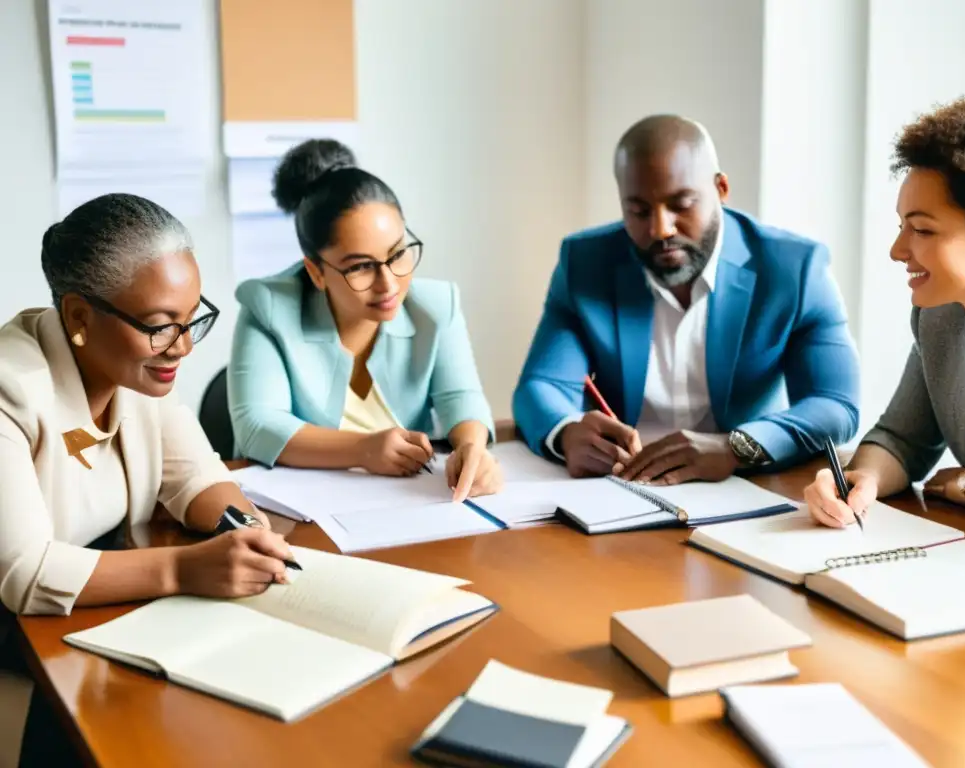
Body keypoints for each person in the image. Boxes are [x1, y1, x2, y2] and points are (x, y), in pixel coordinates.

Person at [0, 194, 297, 766]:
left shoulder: (135, 363)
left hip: (101, 614)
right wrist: (186, 568)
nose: (183, 347)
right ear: (80, 317)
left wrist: (244, 526)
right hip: (23, 642)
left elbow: (196, 479)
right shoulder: (12, 389)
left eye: (193, 320)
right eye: (163, 327)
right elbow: (26, 575)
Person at [513, 115, 860, 483]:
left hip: (745, 487)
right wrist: (567, 433)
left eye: (681, 204)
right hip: (621, 488)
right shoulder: (586, 262)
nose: (660, 228)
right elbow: (540, 386)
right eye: (639, 211)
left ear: (721, 190)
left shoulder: (793, 269)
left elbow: (836, 404)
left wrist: (736, 447)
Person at [228, 140, 501, 501]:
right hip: (294, 515)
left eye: (398, 254)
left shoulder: (435, 306)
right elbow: (257, 425)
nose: (388, 284)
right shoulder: (269, 307)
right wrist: (362, 449)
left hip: (402, 507)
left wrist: (472, 447)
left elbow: (461, 397)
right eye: (360, 266)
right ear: (316, 271)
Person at [805, 94, 965, 528]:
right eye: (901, 226)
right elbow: (902, 439)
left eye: (923, 229)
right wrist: (861, 478)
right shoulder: (941, 319)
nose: (897, 250)